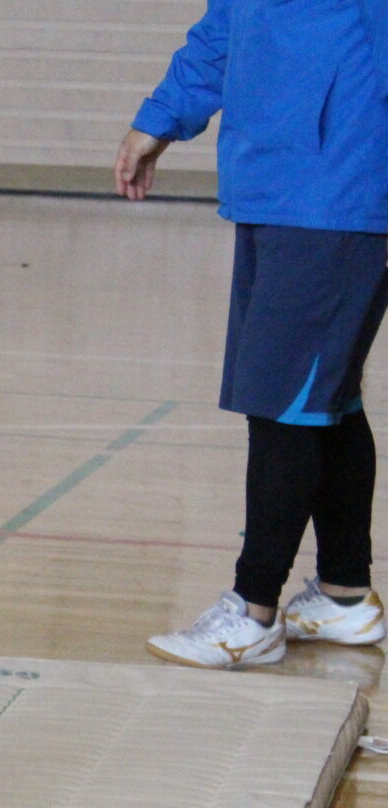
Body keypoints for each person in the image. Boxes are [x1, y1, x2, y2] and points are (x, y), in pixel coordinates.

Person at [126, 0, 388, 669]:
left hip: (341, 189)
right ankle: (344, 595)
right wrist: (161, 118)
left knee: (284, 402)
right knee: (326, 396)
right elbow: (227, 26)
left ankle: (252, 612)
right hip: (275, 184)